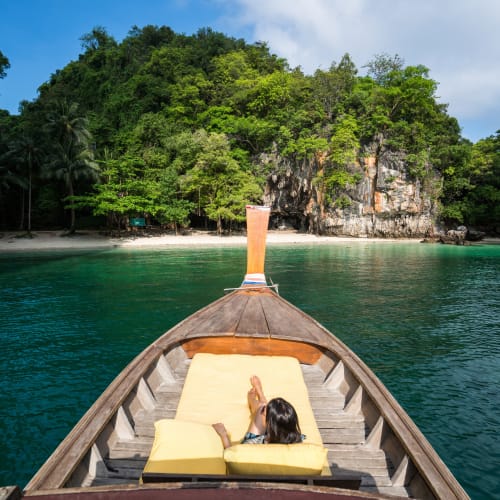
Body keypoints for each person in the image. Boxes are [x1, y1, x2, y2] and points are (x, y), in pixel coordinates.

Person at [212, 375, 303, 449]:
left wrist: (223, 435)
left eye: (264, 411)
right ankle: (259, 394)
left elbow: (233, 458)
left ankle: (256, 396)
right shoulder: (296, 440)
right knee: (263, 408)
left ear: (271, 426)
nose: (263, 411)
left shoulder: (251, 445)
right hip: (277, 436)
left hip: (261, 440)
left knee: (261, 408)